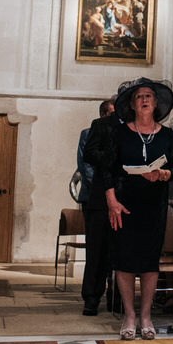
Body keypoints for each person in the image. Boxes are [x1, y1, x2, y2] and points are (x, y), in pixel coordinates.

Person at [88, 78, 173, 340]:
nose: (144, 100)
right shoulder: (119, 133)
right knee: (125, 261)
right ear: (131, 103)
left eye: (149, 96)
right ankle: (129, 315)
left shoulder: (166, 135)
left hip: (154, 204)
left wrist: (163, 174)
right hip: (124, 203)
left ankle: (146, 316)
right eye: (139, 96)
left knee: (150, 262)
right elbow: (108, 168)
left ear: (156, 103)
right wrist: (111, 200)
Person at [75, 111, 110, 316]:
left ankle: (115, 294)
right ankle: (91, 297)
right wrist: (105, 188)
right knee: (96, 248)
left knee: (113, 250)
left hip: (121, 196)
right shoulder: (94, 129)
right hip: (95, 195)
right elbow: (85, 162)